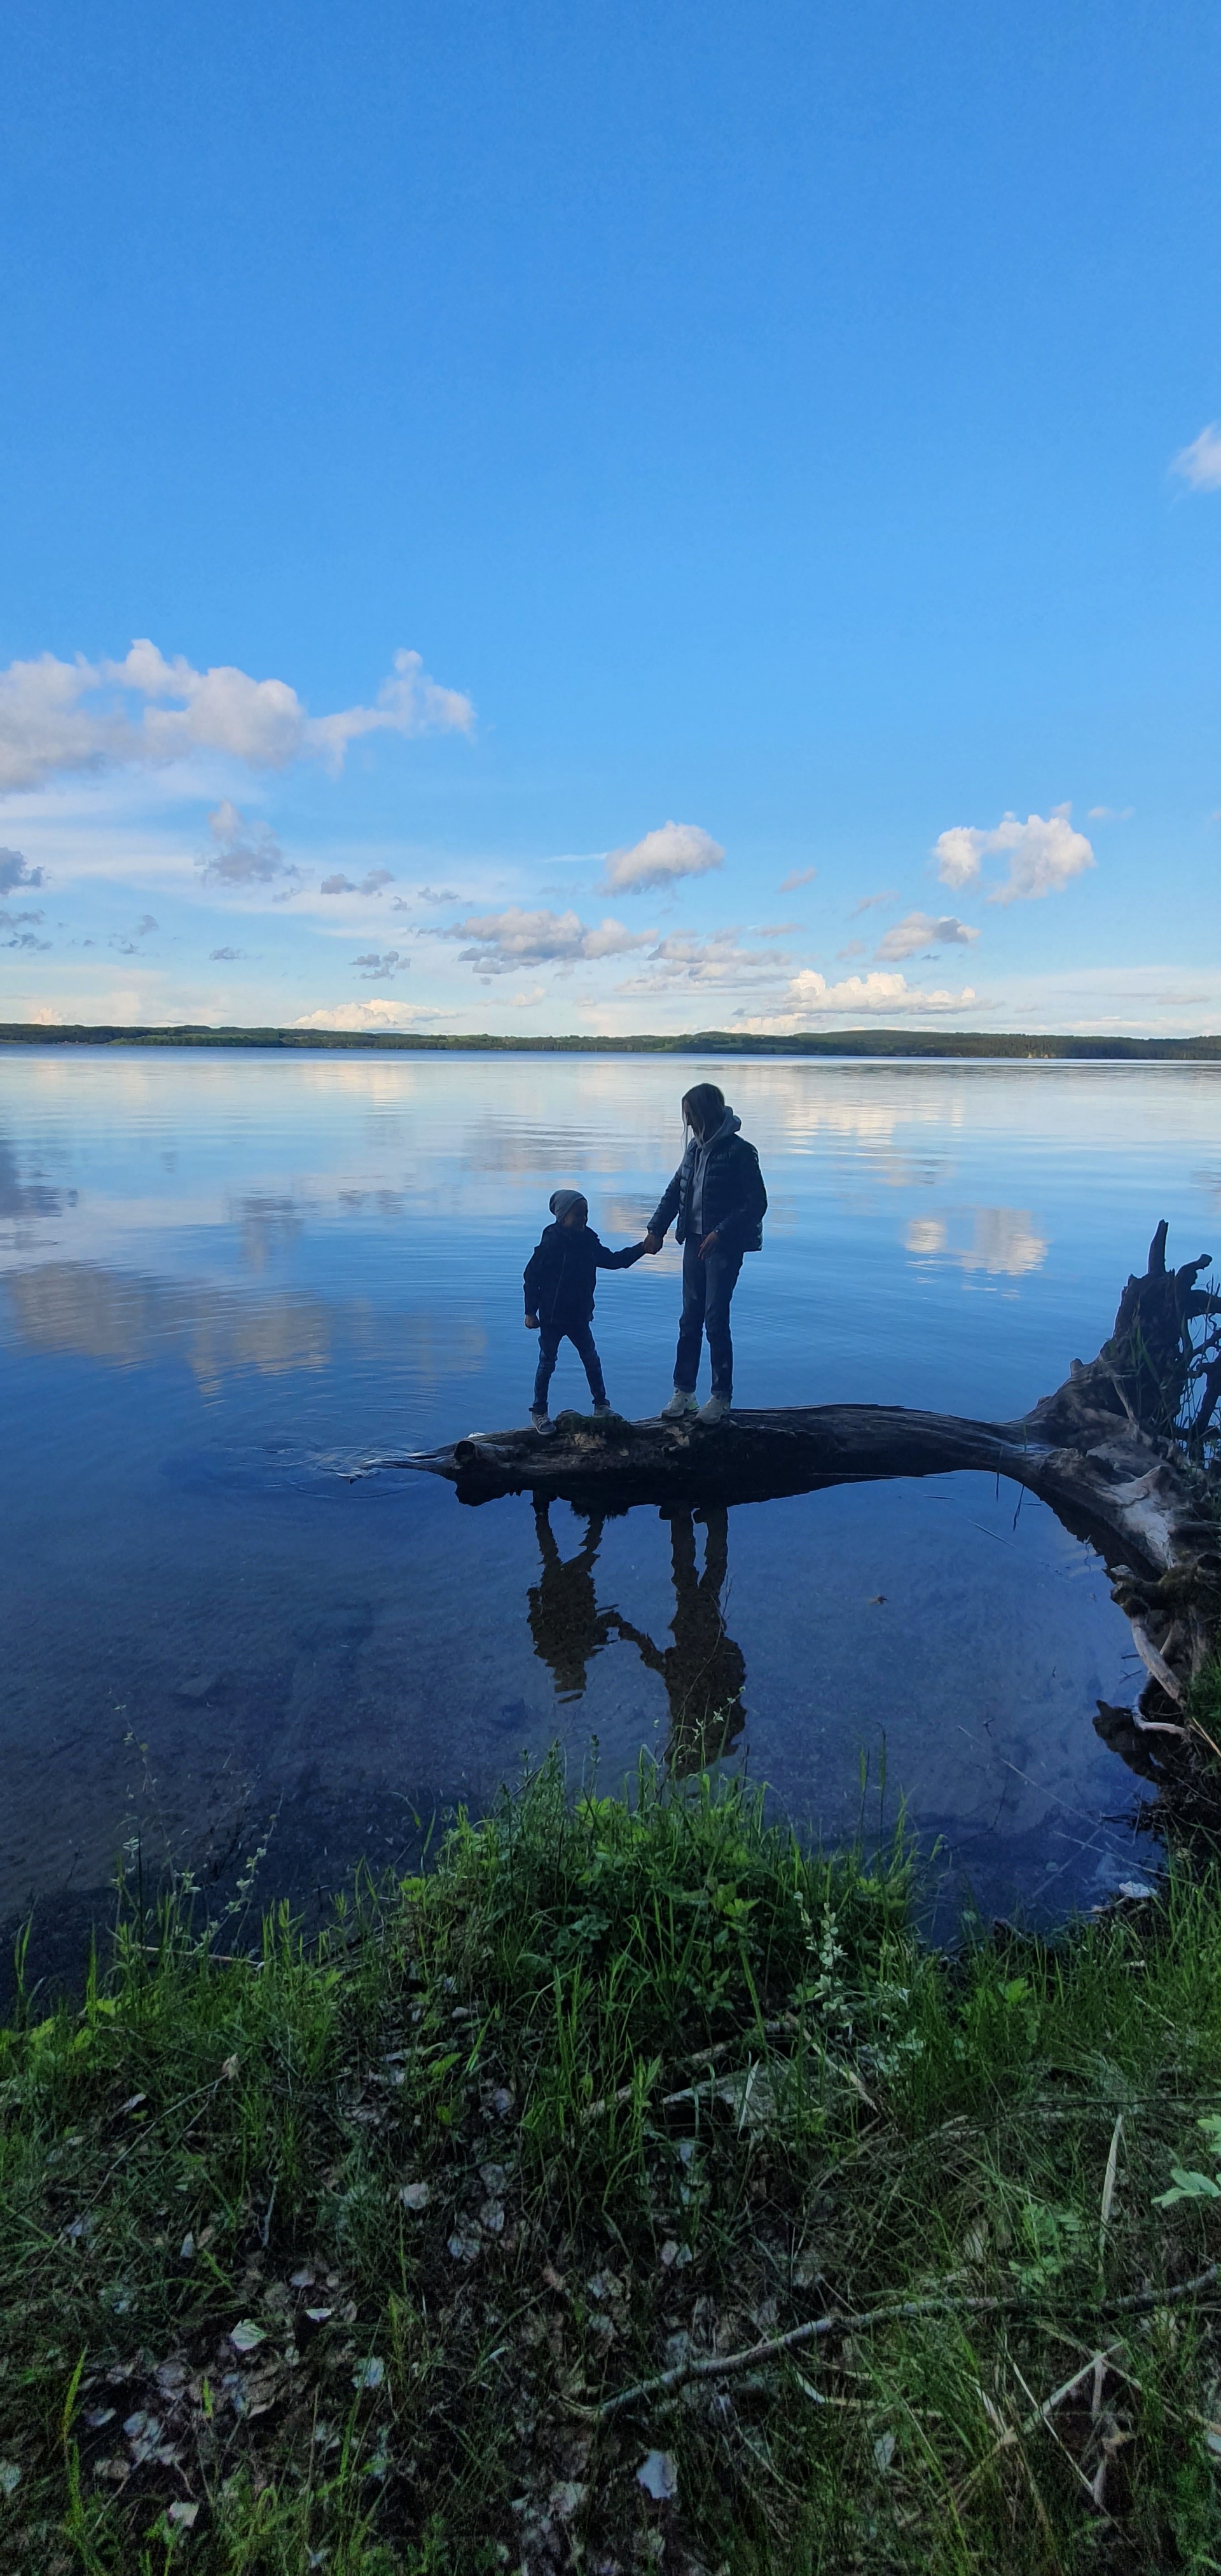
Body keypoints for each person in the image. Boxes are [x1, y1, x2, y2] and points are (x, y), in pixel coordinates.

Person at [643, 1083, 767, 1422]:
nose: (688, 1124)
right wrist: (657, 1228)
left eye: (691, 1116)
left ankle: (721, 1396)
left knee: (715, 1320)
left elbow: (757, 1204)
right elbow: (675, 1191)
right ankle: (684, 1392)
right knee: (689, 1320)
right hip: (693, 1242)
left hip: (723, 1248)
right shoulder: (694, 1152)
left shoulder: (741, 1152)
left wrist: (720, 1233)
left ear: (706, 1114)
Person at [524, 1188, 648, 1433]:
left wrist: (642, 1248)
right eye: (579, 1215)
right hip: (551, 1317)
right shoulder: (550, 1243)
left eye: (586, 1214)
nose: (584, 1219)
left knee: (591, 1360)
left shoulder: (588, 1241)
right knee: (547, 1363)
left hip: (579, 1317)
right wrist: (531, 1312)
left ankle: (601, 1405)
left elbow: (614, 1260)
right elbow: (531, 1277)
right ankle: (539, 1412)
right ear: (562, 1217)